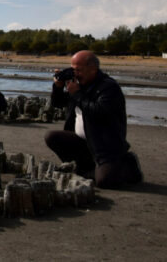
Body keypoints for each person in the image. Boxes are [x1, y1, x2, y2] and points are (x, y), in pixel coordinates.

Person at [45, 50, 143, 189]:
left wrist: (77, 94)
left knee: (104, 182)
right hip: (84, 143)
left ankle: (128, 164)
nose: (75, 74)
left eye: (79, 70)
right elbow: (58, 104)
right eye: (73, 70)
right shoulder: (79, 84)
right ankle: (87, 168)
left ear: (93, 69)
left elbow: (99, 112)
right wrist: (58, 87)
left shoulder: (108, 87)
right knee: (52, 137)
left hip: (106, 147)